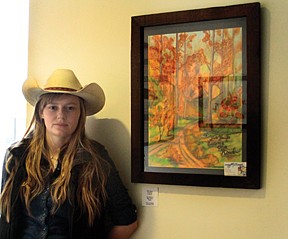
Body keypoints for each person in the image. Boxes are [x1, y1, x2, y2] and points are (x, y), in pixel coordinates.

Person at [0, 69, 138, 239]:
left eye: (70, 108)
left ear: (80, 114)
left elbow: (127, 221)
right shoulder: (16, 156)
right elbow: (6, 217)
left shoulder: (95, 158)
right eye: (52, 107)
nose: (61, 115)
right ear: (41, 112)